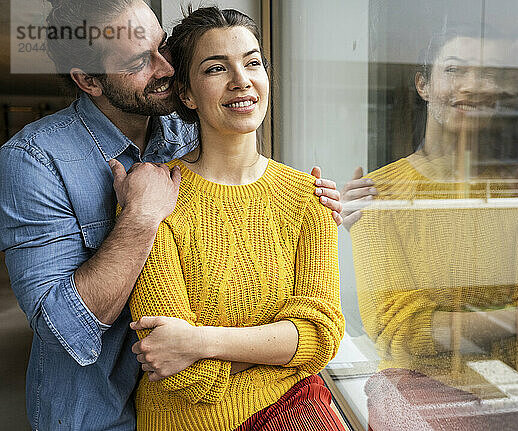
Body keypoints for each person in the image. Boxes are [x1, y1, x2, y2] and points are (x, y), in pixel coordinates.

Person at [0, 1, 341, 429]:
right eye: (141, 60)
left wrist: (308, 205)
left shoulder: (185, 130)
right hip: (94, 410)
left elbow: (316, 330)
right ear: (88, 80)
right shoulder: (35, 160)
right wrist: (140, 217)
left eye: (162, 46)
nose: (166, 67)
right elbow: (61, 326)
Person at [343, 29, 518, 429]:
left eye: (490, 75)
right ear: (423, 84)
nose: (472, 86)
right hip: (420, 391)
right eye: (454, 70)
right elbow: (397, 330)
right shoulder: (380, 194)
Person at [126, 7, 346, 430]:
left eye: (252, 62)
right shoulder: (155, 196)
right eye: (215, 68)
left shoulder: (308, 198)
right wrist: (281, 355)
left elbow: (320, 339)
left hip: (292, 414)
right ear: (187, 94)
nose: (241, 80)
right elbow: (176, 365)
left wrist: (201, 341)